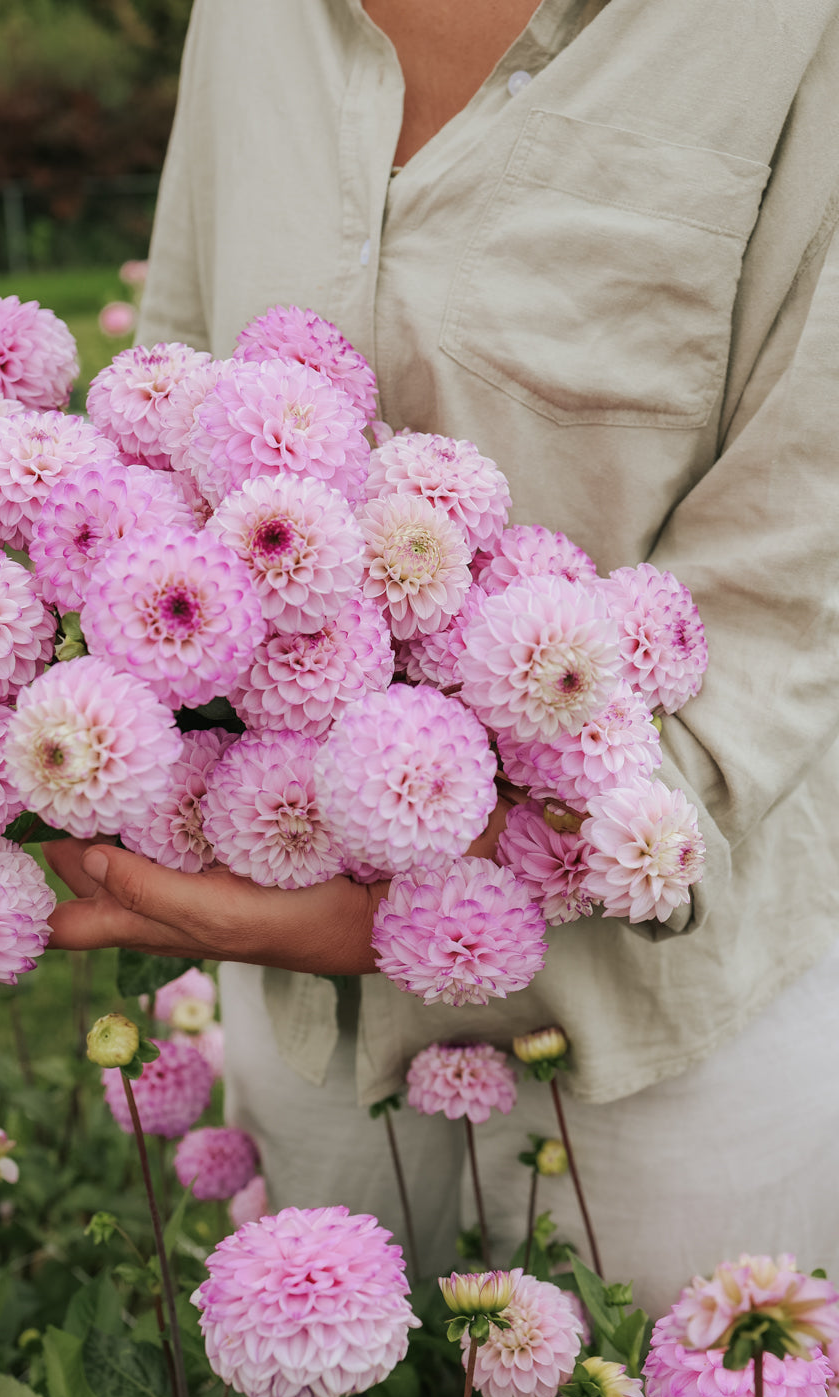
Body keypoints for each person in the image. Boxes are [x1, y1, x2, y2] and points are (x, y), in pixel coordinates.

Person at [47, 0, 839, 1315]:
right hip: (297, 989)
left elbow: (798, 560)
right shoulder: (248, 22)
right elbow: (174, 389)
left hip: (662, 1033)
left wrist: (464, 884)